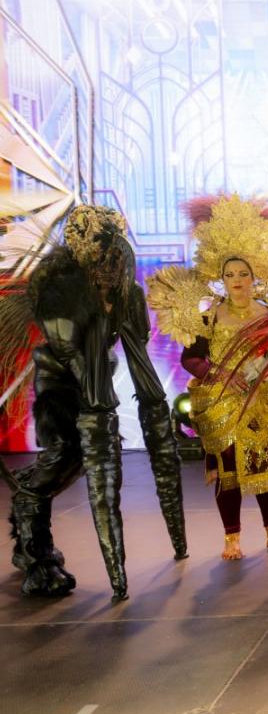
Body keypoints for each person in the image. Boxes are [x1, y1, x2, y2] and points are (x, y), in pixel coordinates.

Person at [5, 205, 187, 601]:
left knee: (88, 455)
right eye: (102, 257)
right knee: (69, 453)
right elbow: (72, 356)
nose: (109, 267)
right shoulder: (58, 292)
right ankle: (36, 550)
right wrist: (99, 413)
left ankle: (35, 501)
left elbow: (135, 344)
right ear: (86, 254)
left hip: (96, 374)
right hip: (63, 380)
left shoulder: (127, 292)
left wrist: (156, 415)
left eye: (115, 257)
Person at [148, 194, 268, 561]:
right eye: (230, 275)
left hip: (262, 402)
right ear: (220, 279)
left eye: (243, 274)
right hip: (223, 404)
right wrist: (222, 373)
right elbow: (190, 358)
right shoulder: (211, 317)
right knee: (227, 470)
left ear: (255, 277)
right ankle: (232, 538)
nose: (237, 280)